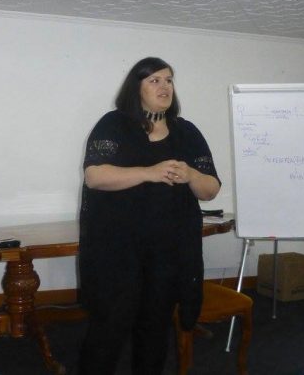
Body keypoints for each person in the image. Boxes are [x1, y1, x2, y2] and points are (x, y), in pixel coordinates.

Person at [77, 57, 221, 374]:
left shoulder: (187, 132)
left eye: (168, 80)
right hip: (118, 252)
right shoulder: (114, 124)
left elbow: (210, 189)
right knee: (108, 330)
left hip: (167, 254)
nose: (164, 86)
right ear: (136, 88)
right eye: (154, 80)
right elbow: (95, 176)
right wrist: (149, 172)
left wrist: (191, 175)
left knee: (155, 330)